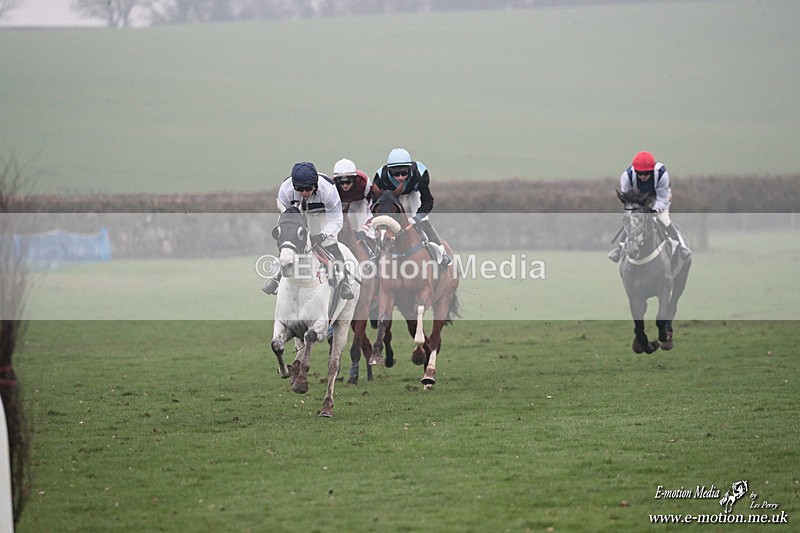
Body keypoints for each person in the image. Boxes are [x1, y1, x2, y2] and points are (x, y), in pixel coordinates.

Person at [262, 161, 354, 300]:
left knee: (330, 242)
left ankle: (344, 281)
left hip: (324, 216)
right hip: (298, 215)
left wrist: (323, 235)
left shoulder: (328, 190)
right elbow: (285, 218)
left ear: (316, 184)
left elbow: (336, 220)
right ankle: (276, 278)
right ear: (293, 186)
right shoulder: (286, 189)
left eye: (308, 188)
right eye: (300, 189)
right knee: (288, 242)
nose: (304, 192)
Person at [371, 148, 452, 269]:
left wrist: (418, 217)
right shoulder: (380, 177)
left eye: (404, 173)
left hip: (414, 193)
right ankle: (376, 256)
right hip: (391, 197)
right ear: (389, 171)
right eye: (396, 174)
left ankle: (441, 253)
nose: (400, 177)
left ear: (410, 169)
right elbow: (376, 203)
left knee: (424, 222)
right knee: (384, 225)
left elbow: (428, 201)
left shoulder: (421, 174)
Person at [609, 151, 692, 262]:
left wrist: (653, 210)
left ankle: (681, 247)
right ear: (635, 170)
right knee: (632, 220)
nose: (643, 176)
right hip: (638, 199)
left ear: (652, 170)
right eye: (639, 173)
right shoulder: (626, 177)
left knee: (663, 218)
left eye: (647, 173)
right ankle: (619, 249)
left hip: (658, 196)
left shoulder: (661, 174)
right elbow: (628, 199)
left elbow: (663, 198)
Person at [331, 158, 375, 247]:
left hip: (360, 202)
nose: (345, 186)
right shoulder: (333, 186)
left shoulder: (364, 181)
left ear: (355, 179)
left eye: (348, 182)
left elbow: (371, 206)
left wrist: (364, 230)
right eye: (341, 182)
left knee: (367, 231)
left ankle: (373, 248)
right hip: (342, 204)